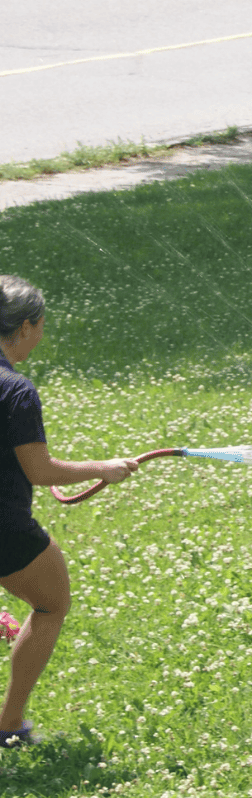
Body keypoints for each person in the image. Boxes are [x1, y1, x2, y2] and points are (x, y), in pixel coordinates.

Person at [1, 275, 139, 748]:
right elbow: (38, 470)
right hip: (3, 528)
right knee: (52, 603)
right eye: (41, 325)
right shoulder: (16, 390)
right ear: (26, 326)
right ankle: (9, 726)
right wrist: (103, 467)